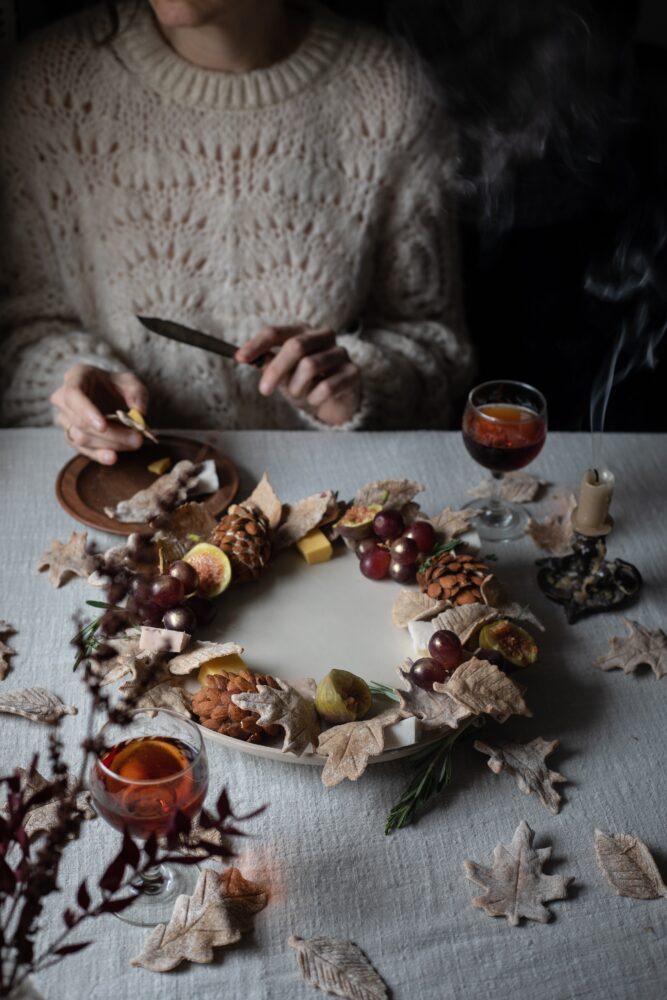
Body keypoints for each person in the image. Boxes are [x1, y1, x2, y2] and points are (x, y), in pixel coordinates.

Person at [0, 0, 472, 463]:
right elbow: (22, 334)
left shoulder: (391, 92)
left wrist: (357, 388)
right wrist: (72, 393)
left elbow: (435, 351)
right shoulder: (49, 86)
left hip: (324, 497)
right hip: (120, 494)